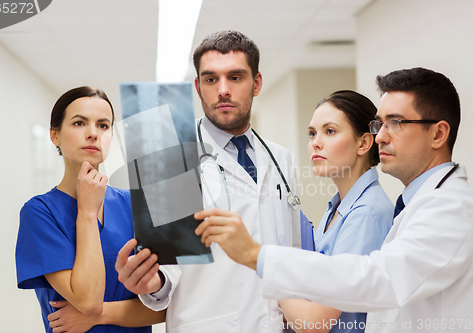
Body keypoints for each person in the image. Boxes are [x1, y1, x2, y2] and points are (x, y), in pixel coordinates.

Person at [195, 67, 473, 333]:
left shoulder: (450, 208)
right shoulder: (412, 204)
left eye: (396, 123)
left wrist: (259, 255)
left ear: (438, 134)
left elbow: (377, 278)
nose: (381, 136)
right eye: (380, 124)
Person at [115, 30, 300, 332]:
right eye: (211, 79)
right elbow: (166, 273)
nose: (223, 90)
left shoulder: (282, 159)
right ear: (198, 87)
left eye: (236, 77)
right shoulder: (168, 159)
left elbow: (291, 254)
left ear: (256, 84)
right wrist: (150, 282)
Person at [15, 87, 165, 333]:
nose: (93, 133)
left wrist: (100, 316)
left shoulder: (136, 205)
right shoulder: (40, 213)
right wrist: (86, 212)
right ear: (55, 135)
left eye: (103, 125)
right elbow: (87, 300)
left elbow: (165, 306)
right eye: (79, 123)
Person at [277, 90, 393, 332]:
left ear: (363, 143)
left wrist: (274, 274)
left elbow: (315, 323)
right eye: (312, 133)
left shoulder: (367, 213)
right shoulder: (337, 209)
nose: (315, 143)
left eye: (330, 131)